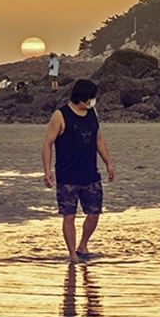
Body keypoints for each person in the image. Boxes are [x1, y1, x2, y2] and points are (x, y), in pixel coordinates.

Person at [42, 79, 115, 262]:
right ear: (82, 98)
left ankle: (83, 244)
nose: (92, 102)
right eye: (90, 98)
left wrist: (108, 163)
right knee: (69, 217)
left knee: (94, 214)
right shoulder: (60, 115)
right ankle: (72, 254)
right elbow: (47, 144)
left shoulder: (93, 113)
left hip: (90, 173)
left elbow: (99, 139)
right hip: (67, 175)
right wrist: (47, 171)